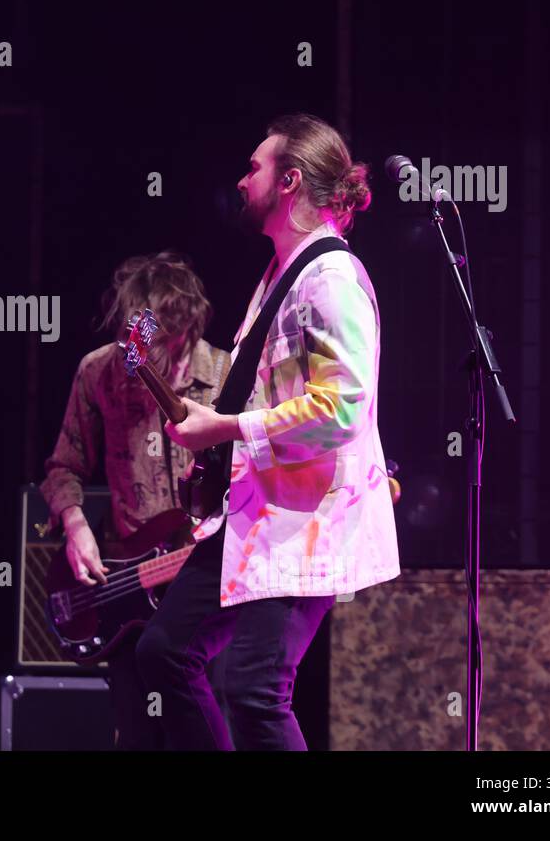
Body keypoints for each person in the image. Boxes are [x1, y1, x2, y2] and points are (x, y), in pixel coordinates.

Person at [136, 113, 401, 750]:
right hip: (258, 516)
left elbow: (341, 410)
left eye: (253, 167)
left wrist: (225, 426)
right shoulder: (281, 277)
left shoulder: (332, 281)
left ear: (289, 180)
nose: (240, 179)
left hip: (306, 525)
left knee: (256, 690)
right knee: (165, 652)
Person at [41, 251, 230, 749]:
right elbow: (64, 464)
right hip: (130, 593)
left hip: (209, 584)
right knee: (137, 734)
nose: (140, 352)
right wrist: (77, 525)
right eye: (134, 338)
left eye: (154, 339)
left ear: (186, 326)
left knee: (204, 729)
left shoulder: (226, 376)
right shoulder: (99, 371)